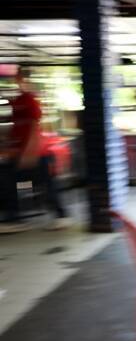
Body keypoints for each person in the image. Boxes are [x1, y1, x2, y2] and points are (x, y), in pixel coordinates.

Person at [0, 67, 70, 233]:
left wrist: (29, 152)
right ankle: (13, 217)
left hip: (37, 153)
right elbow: (16, 127)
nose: (16, 82)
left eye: (19, 79)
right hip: (21, 153)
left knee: (45, 183)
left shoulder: (30, 100)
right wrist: (9, 147)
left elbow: (33, 128)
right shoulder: (17, 101)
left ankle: (60, 216)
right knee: (9, 181)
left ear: (25, 80)